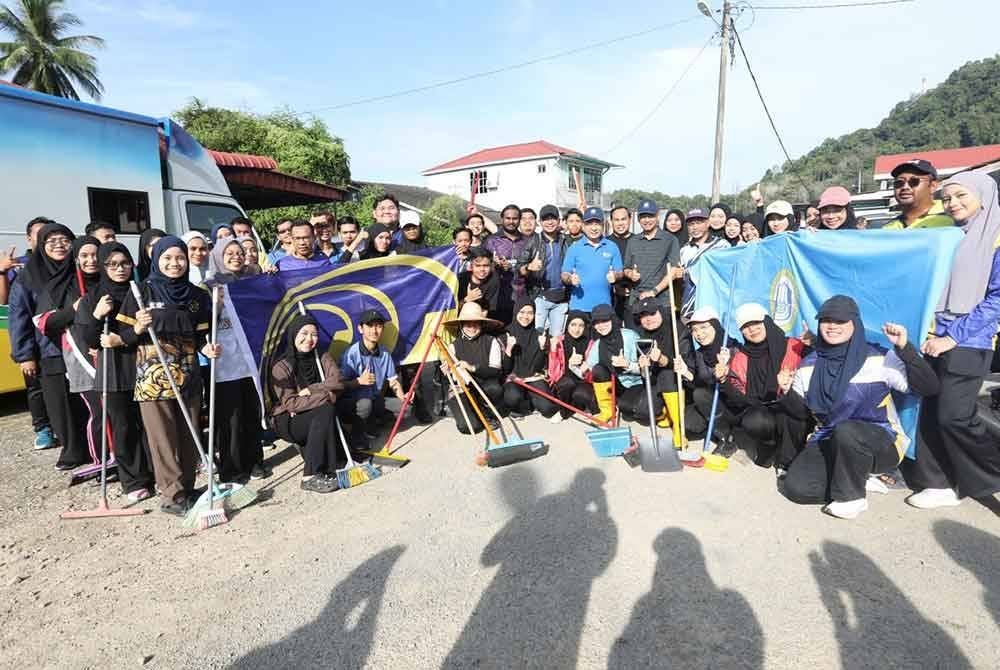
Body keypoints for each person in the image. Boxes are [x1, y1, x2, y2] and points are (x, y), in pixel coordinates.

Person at [779, 296, 939, 519]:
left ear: (855, 324)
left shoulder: (878, 358)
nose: (832, 326)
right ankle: (856, 476)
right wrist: (786, 392)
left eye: (841, 321)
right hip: (830, 439)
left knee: (847, 430)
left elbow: (929, 387)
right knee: (797, 488)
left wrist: (905, 348)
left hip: (881, 442)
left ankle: (852, 497)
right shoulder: (808, 366)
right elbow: (799, 414)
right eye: (826, 320)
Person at [904, 171, 1000, 509]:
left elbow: (997, 300)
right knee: (929, 411)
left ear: (984, 197)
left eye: (961, 196)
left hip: (969, 342)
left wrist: (952, 337)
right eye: (947, 198)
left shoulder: (996, 238)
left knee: (954, 416)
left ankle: (992, 472)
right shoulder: (948, 236)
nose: (952, 203)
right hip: (932, 337)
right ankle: (938, 483)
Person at [117, 236, 217, 516]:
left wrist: (206, 348)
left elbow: (200, 336)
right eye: (168, 259)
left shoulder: (197, 296)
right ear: (157, 260)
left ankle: (188, 485)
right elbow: (124, 336)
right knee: (163, 438)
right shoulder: (142, 291)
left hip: (188, 374)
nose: (175, 264)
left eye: (180, 258)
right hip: (153, 376)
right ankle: (172, 494)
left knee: (189, 432)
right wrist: (137, 327)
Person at [75, 242, 154, 502]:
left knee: (149, 424)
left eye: (125, 263)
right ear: (103, 266)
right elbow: (90, 340)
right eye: (112, 264)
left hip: (145, 366)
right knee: (124, 427)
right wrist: (97, 315)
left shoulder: (142, 290)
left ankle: (157, 473)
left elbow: (150, 330)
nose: (120, 269)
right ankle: (133, 481)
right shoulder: (94, 296)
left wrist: (129, 335)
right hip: (114, 370)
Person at [12, 223, 90, 470]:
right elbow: (20, 317)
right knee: (60, 405)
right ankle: (72, 451)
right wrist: (25, 355)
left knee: (84, 401)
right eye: (51, 240)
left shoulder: (78, 271)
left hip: (81, 348)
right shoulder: (29, 276)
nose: (59, 244)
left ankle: (93, 448)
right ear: (41, 245)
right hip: (49, 350)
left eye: (64, 239)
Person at [35, 234, 101, 471]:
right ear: (75, 258)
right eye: (84, 256)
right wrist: (73, 309)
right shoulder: (60, 285)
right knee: (98, 410)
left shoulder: (108, 279)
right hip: (80, 356)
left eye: (95, 255)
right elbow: (43, 322)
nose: (91, 260)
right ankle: (101, 459)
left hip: (111, 354)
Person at [717, 303, 808, 473]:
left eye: (756, 324)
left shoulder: (794, 346)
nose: (752, 330)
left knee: (791, 412)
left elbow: (819, 365)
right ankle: (769, 444)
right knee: (754, 420)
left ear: (766, 322)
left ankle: (788, 460)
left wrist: (814, 344)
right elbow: (739, 399)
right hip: (762, 410)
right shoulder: (741, 358)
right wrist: (723, 380)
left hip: (792, 405)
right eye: (745, 327)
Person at [206, 238, 268, 482]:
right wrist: (217, 303)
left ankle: (255, 461)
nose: (235, 257)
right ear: (219, 256)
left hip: (249, 359)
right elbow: (203, 323)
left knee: (252, 413)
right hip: (224, 363)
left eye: (239, 252)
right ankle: (231, 468)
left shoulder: (252, 283)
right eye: (229, 253)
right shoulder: (209, 285)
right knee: (229, 418)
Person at [268, 313, 344, 494]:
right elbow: (291, 404)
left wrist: (312, 390)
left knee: (328, 409)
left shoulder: (322, 357)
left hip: (311, 411)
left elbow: (338, 381)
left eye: (314, 334)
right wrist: (327, 395)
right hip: (287, 419)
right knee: (325, 408)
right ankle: (309, 476)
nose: (309, 339)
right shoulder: (281, 366)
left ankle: (317, 453)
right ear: (293, 334)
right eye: (304, 333)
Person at [4, 216, 55, 449]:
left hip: (56, 341)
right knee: (35, 387)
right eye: (39, 234)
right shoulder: (19, 265)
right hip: (33, 341)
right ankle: (43, 428)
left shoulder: (60, 262)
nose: (46, 238)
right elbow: (9, 307)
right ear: (29, 238)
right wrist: (2, 273)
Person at [337, 309, 406, 449]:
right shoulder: (351, 354)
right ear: (360, 328)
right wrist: (358, 381)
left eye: (379, 326)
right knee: (365, 405)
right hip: (353, 402)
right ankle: (355, 436)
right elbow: (340, 385)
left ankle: (370, 423)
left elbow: (393, 381)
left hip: (375, 398)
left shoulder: (385, 353)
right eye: (370, 326)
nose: (374, 331)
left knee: (382, 410)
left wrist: (402, 396)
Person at [632, 297, 691, 446]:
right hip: (656, 384)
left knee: (666, 374)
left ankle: (679, 429)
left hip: (681, 383)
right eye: (643, 316)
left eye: (652, 313)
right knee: (641, 411)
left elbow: (687, 366)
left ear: (661, 312)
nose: (648, 319)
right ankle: (666, 412)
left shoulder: (678, 330)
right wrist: (644, 368)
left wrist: (663, 360)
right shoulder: (644, 336)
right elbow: (647, 376)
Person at [444, 303, 505, 434]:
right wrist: (447, 371)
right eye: (468, 324)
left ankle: (487, 413)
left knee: (494, 389)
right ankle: (475, 415)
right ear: (461, 325)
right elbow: (452, 376)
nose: (472, 328)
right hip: (464, 388)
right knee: (469, 428)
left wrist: (472, 368)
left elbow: (495, 371)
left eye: (476, 324)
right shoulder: (453, 346)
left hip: (485, 385)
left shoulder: (491, 341)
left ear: (481, 325)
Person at [683, 306, 737, 451]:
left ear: (716, 326)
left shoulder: (733, 349)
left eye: (703, 327)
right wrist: (686, 373)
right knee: (688, 424)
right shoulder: (699, 354)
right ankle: (716, 426)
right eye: (694, 330)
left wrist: (726, 371)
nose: (699, 334)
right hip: (712, 403)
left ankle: (726, 437)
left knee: (700, 394)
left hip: (735, 406)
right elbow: (700, 384)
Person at [623, 200, 682, 314]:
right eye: (643, 217)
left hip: (661, 301)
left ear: (657, 217)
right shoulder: (633, 241)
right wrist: (630, 274)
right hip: (637, 300)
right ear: (639, 219)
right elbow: (626, 268)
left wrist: (654, 291)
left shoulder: (670, 240)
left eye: (650, 216)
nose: (647, 220)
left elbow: (673, 271)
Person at [501, 298, 556, 419]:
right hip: (514, 378)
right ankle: (526, 403)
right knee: (513, 398)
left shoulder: (538, 335)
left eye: (530, 313)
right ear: (516, 312)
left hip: (533, 377)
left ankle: (532, 398)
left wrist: (542, 348)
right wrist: (509, 349)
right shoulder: (506, 333)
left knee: (547, 409)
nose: (526, 316)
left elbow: (537, 367)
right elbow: (505, 369)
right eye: (522, 312)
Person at [585, 304, 641, 423]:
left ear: (613, 319)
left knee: (628, 411)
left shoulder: (630, 336)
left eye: (605, 320)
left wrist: (628, 365)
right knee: (598, 369)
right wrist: (574, 366)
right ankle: (607, 410)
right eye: (597, 322)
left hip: (635, 383)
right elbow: (589, 371)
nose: (601, 325)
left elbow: (647, 369)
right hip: (614, 386)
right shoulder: (597, 345)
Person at [562, 207, 622, 316]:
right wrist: (570, 279)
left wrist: (615, 276)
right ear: (583, 226)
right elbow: (564, 274)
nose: (594, 228)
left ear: (603, 225)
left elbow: (619, 272)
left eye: (597, 224)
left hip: (604, 307)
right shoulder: (574, 248)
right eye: (589, 224)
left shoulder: (612, 247)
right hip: (578, 308)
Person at [521, 204, 569, 337]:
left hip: (561, 299)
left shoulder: (566, 241)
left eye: (553, 218)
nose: (549, 222)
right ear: (540, 222)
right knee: (538, 338)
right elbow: (519, 268)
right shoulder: (533, 241)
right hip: (540, 297)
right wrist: (529, 267)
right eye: (545, 219)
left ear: (559, 221)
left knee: (556, 340)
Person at [678, 208, 728, 316]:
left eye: (699, 223)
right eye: (691, 224)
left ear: (708, 223)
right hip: (690, 306)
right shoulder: (684, 250)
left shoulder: (722, 245)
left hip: (715, 304)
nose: (695, 227)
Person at [484, 204, 527, 324]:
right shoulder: (491, 241)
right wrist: (494, 265)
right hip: (496, 297)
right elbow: (481, 266)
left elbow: (532, 268)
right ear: (502, 218)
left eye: (515, 218)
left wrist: (513, 267)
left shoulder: (527, 241)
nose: (511, 221)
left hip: (521, 295)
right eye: (508, 218)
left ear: (519, 220)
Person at [550, 310, 594, 422]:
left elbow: (592, 376)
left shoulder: (591, 343)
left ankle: (579, 406)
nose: (577, 329)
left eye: (581, 325)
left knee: (581, 394)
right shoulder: (560, 342)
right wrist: (554, 351)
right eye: (573, 325)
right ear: (567, 325)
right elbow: (553, 374)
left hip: (584, 381)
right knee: (566, 383)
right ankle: (564, 412)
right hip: (565, 381)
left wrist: (583, 367)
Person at [883, 159, 953, 230]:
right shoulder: (889, 228)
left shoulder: (952, 215)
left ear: (933, 186)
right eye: (899, 183)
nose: (905, 187)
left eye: (914, 181)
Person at [608, 206, 634, 320]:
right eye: (616, 220)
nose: (620, 223)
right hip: (610, 297)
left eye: (623, 219)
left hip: (633, 297)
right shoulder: (605, 243)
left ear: (630, 219)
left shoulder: (638, 241)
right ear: (611, 221)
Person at [458, 247, 500, 316]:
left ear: (491, 266)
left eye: (486, 266)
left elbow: (489, 310)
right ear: (471, 266)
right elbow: (451, 309)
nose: (482, 269)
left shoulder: (494, 280)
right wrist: (466, 300)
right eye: (478, 266)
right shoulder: (461, 279)